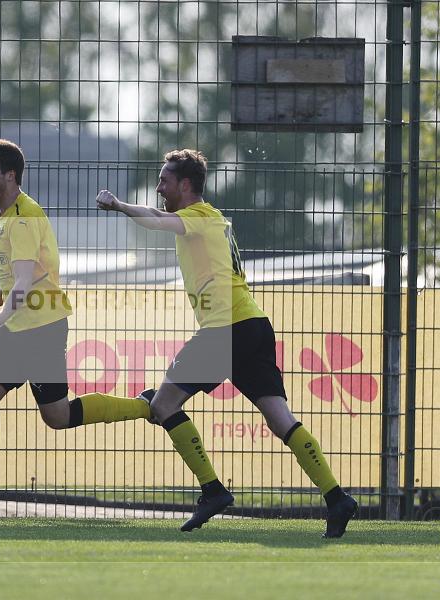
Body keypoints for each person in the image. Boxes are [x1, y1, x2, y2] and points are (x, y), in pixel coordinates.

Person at [95, 149, 358, 537]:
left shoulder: (198, 216)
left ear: (185, 186)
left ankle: (213, 491)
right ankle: (337, 498)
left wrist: (117, 204)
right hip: (252, 325)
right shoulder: (215, 219)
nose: (159, 187)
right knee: (280, 418)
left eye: (164, 180)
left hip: (224, 330)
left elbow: (155, 221)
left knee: (162, 405)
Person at [0, 139, 151, 516]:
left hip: (40, 329)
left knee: (58, 416)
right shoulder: (8, 215)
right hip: (19, 329)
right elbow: (9, 285)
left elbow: (21, 285)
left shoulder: (22, 217)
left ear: (10, 175)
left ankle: (144, 406)